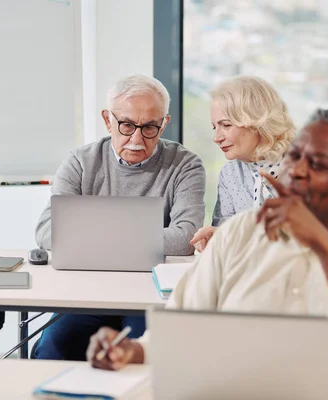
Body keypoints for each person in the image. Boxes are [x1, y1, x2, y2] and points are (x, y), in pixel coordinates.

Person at [87, 109, 328, 383]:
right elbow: (183, 327)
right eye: (294, 156)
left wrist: (325, 247)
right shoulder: (239, 234)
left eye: (319, 164)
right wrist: (132, 351)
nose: (297, 170)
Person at [33, 74, 206, 361]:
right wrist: (142, 240)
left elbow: (186, 237)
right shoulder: (80, 161)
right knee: (53, 346)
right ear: (107, 120)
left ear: (164, 123)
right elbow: (47, 231)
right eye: (126, 125)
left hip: (151, 296)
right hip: (86, 294)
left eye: (150, 127)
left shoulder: (185, 164)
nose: (137, 139)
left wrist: (91, 238)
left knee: (146, 354)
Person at [191, 76, 328, 253]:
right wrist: (217, 238)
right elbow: (230, 235)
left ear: (258, 122)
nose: (216, 137)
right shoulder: (231, 173)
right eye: (214, 127)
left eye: (226, 125)